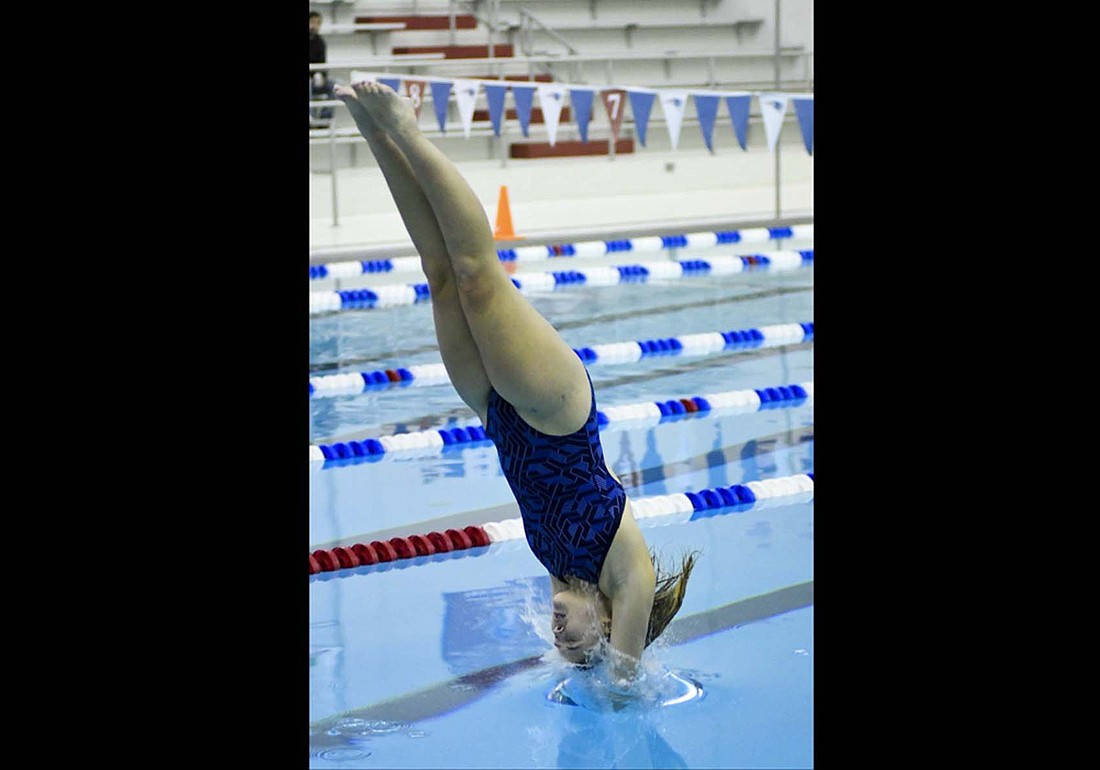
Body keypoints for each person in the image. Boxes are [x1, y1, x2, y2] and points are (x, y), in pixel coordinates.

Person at [334, 80, 697, 685]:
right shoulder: (624, 572)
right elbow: (624, 687)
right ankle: (406, 126)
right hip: (555, 410)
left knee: (441, 275)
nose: (563, 640)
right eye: (580, 646)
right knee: (478, 277)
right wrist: (615, 682)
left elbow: (576, 654)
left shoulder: (562, 576)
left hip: (496, 414)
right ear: (611, 625)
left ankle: (374, 131)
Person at [309, 11, 336, 126]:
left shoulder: (320, 42)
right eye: (312, 22)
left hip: (316, 78)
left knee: (334, 85)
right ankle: (311, 119)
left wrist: (322, 76)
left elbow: (323, 63)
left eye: (317, 23)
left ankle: (325, 119)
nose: (314, 25)